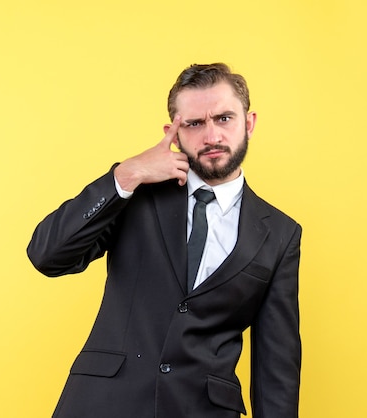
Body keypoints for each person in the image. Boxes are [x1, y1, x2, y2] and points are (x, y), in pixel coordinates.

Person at [27, 63, 302, 418]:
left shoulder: (280, 233)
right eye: (194, 123)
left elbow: (276, 365)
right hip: (103, 404)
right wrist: (126, 175)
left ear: (248, 123)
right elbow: (47, 254)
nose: (212, 136)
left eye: (224, 118)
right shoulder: (136, 193)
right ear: (172, 132)